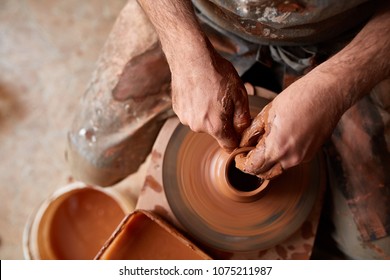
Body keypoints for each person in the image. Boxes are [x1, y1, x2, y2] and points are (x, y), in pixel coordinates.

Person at [66, 0, 390, 259]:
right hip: (199, 19)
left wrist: (337, 87)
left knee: (376, 254)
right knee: (91, 163)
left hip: (351, 39)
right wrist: (185, 53)